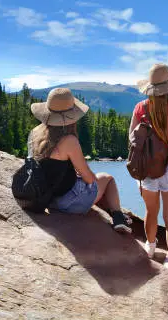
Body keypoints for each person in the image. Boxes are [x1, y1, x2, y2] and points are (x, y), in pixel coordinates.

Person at [30, 88, 132, 233]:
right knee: (107, 178)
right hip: (68, 203)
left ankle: (115, 214)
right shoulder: (69, 140)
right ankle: (118, 218)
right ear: (71, 117)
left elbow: (48, 168)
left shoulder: (35, 134)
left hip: (46, 199)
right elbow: (90, 179)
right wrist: (82, 174)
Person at [130, 63, 168, 269]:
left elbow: (131, 138)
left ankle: (150, 248)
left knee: (151, 211)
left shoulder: (140, 107)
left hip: (147, 167)